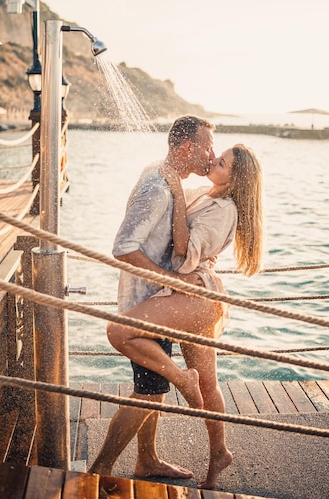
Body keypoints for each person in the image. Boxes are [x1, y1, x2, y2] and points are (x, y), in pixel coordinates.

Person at [106, 143, 264, 489]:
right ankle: (218, 451)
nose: (213, 160)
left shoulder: (224, 209)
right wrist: (171, 182)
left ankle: (180, 379)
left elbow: (183, 251)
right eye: (215, 155)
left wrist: (176, 192)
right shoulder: (205, 193)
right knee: (207, 384)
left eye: (221, 162)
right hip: (182, 293)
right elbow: (162, 205)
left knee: (122, 333)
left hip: (196, 293)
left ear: (234, 179)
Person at [88, 115, 215, 479]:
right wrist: (173, 279)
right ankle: (100, 470)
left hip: (156, 304)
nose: (211, 153)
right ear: (188, 148)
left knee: (152, 388)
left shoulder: (160, 175)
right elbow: (123, 247)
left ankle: (147, 459)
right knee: (148, 392)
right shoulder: (157, 188)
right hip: (144, 307)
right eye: (206, 146)